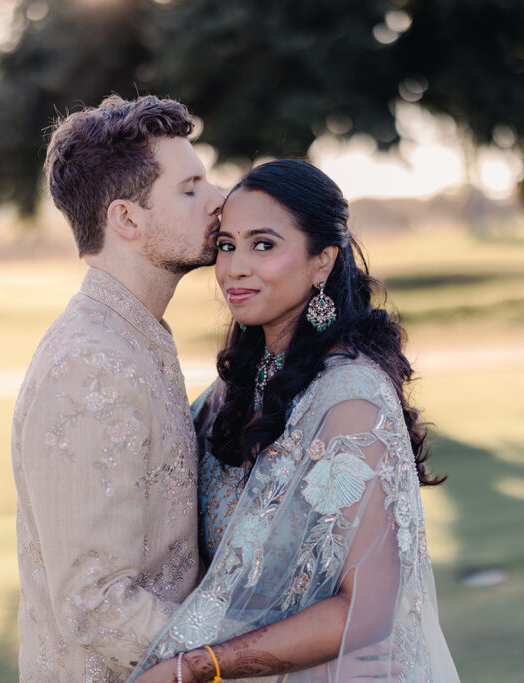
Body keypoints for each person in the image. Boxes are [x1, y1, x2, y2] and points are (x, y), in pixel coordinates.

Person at [130, 160, 459, 682]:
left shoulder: (350, 400)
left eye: (264, 245)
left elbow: (367, 611)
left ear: (321, 261)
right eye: (227, 245)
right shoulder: (235, 388)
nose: (235, 267)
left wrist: (198, 667)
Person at [11, 94, 224, 681]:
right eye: (191, 189)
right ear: (128, 219)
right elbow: (95, 603)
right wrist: (248, 650)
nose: (219, 201)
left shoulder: (135, 337)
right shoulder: (90, 365)